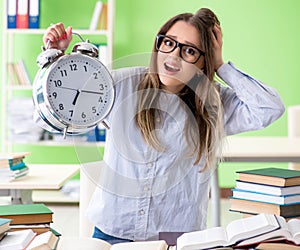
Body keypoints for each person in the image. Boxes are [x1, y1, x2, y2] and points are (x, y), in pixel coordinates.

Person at [39, 8, 284, 244]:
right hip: (113, 233)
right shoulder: (121, 85)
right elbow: (54, 117)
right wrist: (57, 61)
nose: (173, 56)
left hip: (177, 239)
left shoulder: (215, 103)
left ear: (202, 62)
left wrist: (220, 65)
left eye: (189, 50)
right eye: (168, 43)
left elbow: (270, 108)